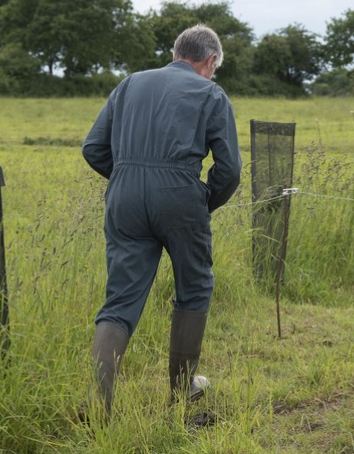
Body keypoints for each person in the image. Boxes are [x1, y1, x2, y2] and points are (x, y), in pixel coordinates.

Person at [81, 24, 241, 417]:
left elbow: (93, 148)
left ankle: (98, 403)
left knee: (120, 299)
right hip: (181, 194)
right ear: (210, 61)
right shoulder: (210, 93)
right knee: (195, 287)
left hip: (125, 197)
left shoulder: (129, 83)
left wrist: (127, 177)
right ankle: (182, 391)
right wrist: (205, 200)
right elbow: (230, 169)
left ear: (175, 54)